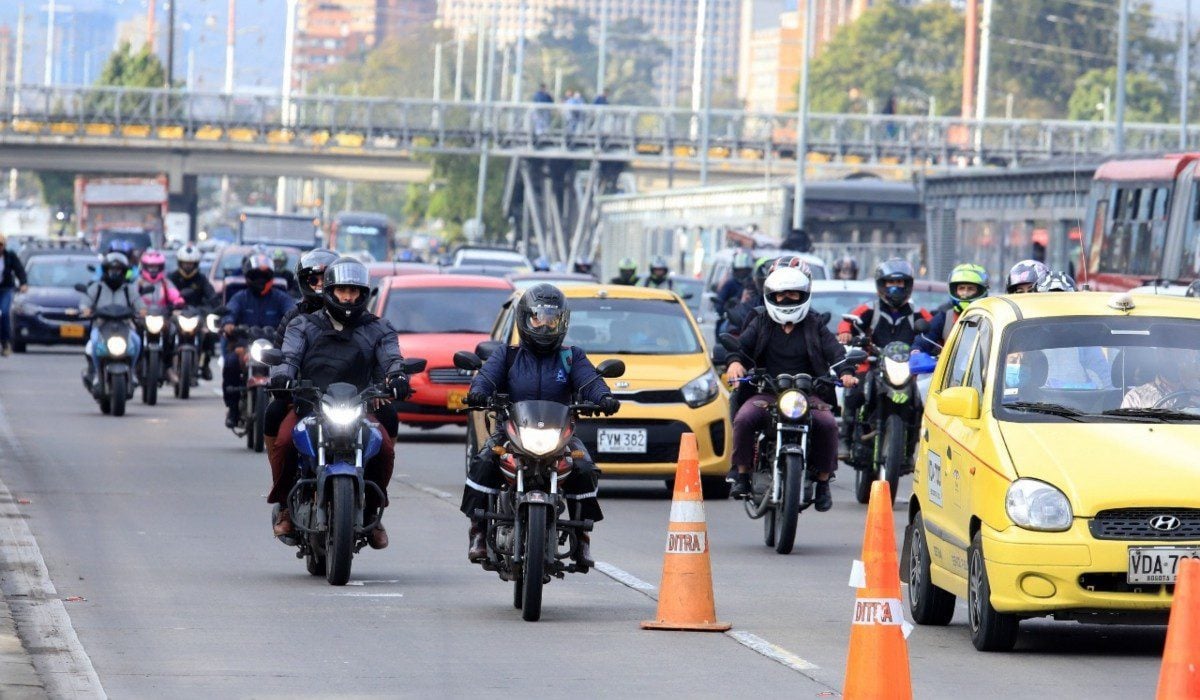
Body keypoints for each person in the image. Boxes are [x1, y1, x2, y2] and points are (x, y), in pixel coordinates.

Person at [461, 283, 620, 564]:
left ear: (562, 321)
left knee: (583, 466)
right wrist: (478, 392)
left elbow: (590, 380)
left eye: (552, 319)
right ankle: (478, 530)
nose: (545, 326)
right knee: (485, 460)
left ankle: (582, 537)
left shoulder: (572, 356)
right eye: (538, 318)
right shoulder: (507, 355)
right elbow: (487, 377)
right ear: (525, 319)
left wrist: (603, 397)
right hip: (512, 433)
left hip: (560, 436)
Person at [268, 257, 411, 549]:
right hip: (311, 406)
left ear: (363, 294)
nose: (348, 296)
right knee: (283, 441)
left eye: (354, 291)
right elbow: (289, 357)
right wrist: (283, 377)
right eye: (343, 289)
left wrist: (396, 377)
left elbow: (392, 358)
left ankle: (372, 509)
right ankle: (284, 504)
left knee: (383, 447)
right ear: (330, 290)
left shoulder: (379, 328)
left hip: (359, 407)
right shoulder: (302, 324)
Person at [724, 267, 856, 507]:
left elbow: (834, 351)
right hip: (766, 392)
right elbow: (740, 348)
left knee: (827, 425)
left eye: (793, 294)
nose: (786, 299)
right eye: (781, 295)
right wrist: (734, 363)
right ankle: (742, 474)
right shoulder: (761, 321)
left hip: (808, 394)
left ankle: (824, 483)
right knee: (743, 419)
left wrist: (846, 373)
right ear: (771, 296)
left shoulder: (814, 323)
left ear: (804, 295)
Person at [835, 259, 932, 460]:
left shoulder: (917, 313)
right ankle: (845, 439)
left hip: (903, 368)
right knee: (855, 393)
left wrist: (931, 346)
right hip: (871, 362)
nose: (895, 288)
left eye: (900, 283)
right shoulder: (870, 309)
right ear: (881, 285)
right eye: (890, 283)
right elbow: (847, 323)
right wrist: (845, 334)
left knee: (918, 403)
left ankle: (911, 450)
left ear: (908, 285)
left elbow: (932, 331)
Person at [263, 248, 340, 455]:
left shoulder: (357, 316)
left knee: (386, 421)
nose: (321, 286)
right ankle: (279, 485)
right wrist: (281, 380)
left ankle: (377, 486)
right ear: (304, 282)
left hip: (350, 399)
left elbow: (375, 351)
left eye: (327, 279)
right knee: (275, 416)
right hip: (304, 398)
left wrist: (386, 382)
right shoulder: (292, 318)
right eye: (314, 280)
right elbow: (281, 356)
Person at [221, 254, 296, 429]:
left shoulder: (280, 297)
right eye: (256, 276)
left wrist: (294, 326)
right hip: (244, 345)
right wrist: (229, 324)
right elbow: (230, 312)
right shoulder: (240, 297)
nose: (260, 280)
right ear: (248, 277)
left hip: (274, 347)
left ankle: (289, 412)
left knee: (292, 371)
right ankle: (232, 409)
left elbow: (292, 313)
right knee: (231, 363)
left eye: (264, 276)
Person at [80, 253, 145, 388]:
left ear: (124, 272)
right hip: (101, 326)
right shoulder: (96, 287)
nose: (115, 273)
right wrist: (85, 310)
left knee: (137, 342)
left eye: (118, 270)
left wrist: (142, 312)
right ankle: (97, 373)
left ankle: (132, 371)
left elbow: (140, 305)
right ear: (105, 271)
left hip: (125, 326)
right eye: (111, 270)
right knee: (92, 345)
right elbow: (85, 302)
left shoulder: (129, 289)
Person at [169, 244, 220, 379]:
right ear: (180, 263)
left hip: (197, 314)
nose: (187, 267)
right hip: (176, 314)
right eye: (185, 264)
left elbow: (211, 295)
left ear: (196, 264)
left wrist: (218, 306)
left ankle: (205, 364)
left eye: (190, 264)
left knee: (208, 333)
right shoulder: (172, 278)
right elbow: (165, 295)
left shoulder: (201, 279)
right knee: (165, 331)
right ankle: (166, 363)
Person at [916, 263, 989, 355]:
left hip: (985, 368)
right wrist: (916, 350)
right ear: (955, 290)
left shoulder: (990, 318)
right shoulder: (944, 317)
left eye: (970, 289)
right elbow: (925, 338)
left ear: (980, 291)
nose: (965, 293)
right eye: (961, 288)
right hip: (950, 369)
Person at [137, 249, 186, 383]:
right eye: (150, 267)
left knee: (172, 333)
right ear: (144, 267)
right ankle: (135, 365)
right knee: (133, 336)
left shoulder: (165, 283)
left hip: (162, 319)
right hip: (142, 320)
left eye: (156, 267)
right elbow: (131, 297)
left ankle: (168, 366)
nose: (153, 270)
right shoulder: (138, 283)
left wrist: (178, 302)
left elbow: (175, 295)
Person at [1120, 348, 1200, 409]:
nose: (1176, 361)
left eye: (1181, 354)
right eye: (1169, 354)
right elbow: (1125, 429)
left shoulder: (1197, 390)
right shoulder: (1136, 398)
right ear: (1158, 356)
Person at [0, 233, 28, 356]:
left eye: (0, 245)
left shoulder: (9, 256)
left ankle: (5, 342)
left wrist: (23, 283)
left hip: (5, 289)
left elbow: (19, 270)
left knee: (4, 313)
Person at [715, 251, 754, 320]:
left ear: (749, 271)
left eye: (745, 271)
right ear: (734, 270)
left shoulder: (754, 285)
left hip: (749, 319)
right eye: (739, 270)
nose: (742, 273)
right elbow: (719, 303)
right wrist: (726, 309)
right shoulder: (729, 284)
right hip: (732, 319)